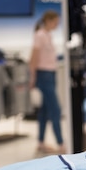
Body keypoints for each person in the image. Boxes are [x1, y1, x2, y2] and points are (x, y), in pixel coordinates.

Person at [29, 10, 65, 154]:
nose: (57, 25)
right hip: (43, 75)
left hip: (50, 74)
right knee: (55, 109)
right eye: (56, 22)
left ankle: (41, 142)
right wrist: (33, 77)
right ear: (49, 21)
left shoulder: (48, 36)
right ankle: (61, 143)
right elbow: (34, 58)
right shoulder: (40, 35)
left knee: (44, 111)